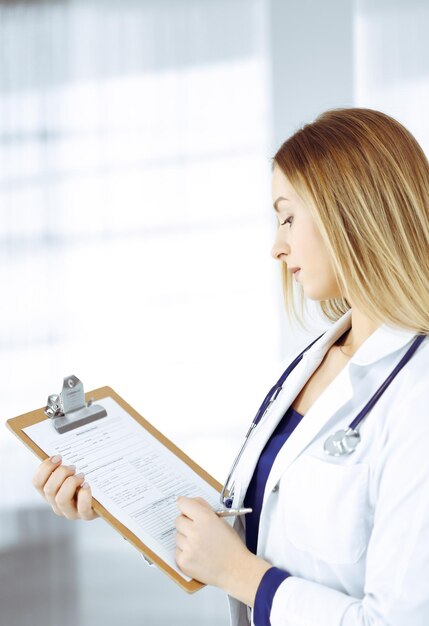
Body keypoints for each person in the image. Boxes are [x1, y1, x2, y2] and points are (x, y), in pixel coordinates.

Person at [32, 107, 429, 626]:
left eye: (288, 216)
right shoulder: (316, 360)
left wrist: (239, 574)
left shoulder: (417, 392)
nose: (277, 246)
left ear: (349, 212)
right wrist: (112, 499)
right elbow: (260, 525)